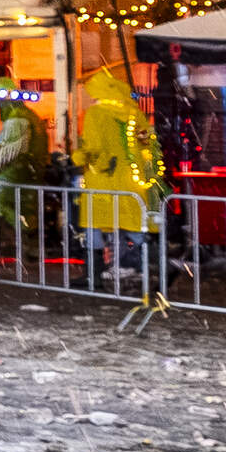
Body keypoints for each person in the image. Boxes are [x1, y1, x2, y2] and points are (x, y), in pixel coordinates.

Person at [74, 65, 164, 288]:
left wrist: (77, 158)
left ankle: (93, 275)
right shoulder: (134, 113)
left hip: (102, 182)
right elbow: (148, 144)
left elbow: (95, 150)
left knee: (93, 227)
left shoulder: (96, 114)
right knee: (135, 227)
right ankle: (156, 266)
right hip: (132, 181)